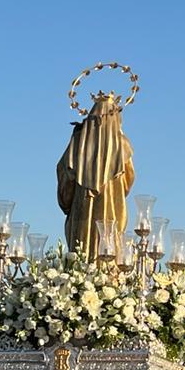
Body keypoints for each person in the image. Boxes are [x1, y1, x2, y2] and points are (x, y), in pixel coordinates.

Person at [57, 93, 135, 261]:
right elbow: (128, 181)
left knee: (81, 256)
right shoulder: (122, 144)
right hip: (112, 210)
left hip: (81, 211)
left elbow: (65, 177)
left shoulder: (77, 142)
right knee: (108, 248)